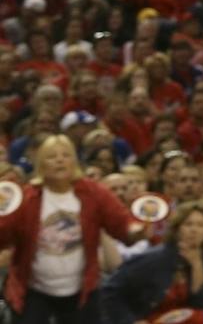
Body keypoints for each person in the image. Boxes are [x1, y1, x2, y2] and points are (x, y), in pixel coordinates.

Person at [0, 133, 140, 323]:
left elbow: (122, 226)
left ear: (74, 161)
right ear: (41, 164)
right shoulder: (26, 198)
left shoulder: (94, 193)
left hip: (81, 291)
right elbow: (3, 238)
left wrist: (137, 231)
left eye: (65, 155)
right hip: (32, 290)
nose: (59, 160)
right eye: (52, 156)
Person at [90, 199, 203, 324]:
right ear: (176, 229)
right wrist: (129, 321)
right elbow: (110, 290)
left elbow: (202, 306)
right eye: (188, 224)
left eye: (201, 225)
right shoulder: (154, 258)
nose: (194, 230)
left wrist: (197, 266)